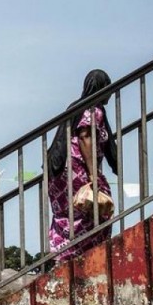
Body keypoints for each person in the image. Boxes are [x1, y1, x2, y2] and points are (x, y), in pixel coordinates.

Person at [47, 69, 119, 260]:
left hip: (59, 173)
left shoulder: (77, 106)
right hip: (76, 169)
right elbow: (85, 137)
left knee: (69, 215)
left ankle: (65, 256)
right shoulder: (93, 110)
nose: (111, 93)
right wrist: (93, 173)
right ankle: (87, 256)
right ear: (101, 88)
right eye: (108, 87)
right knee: (99, 207)